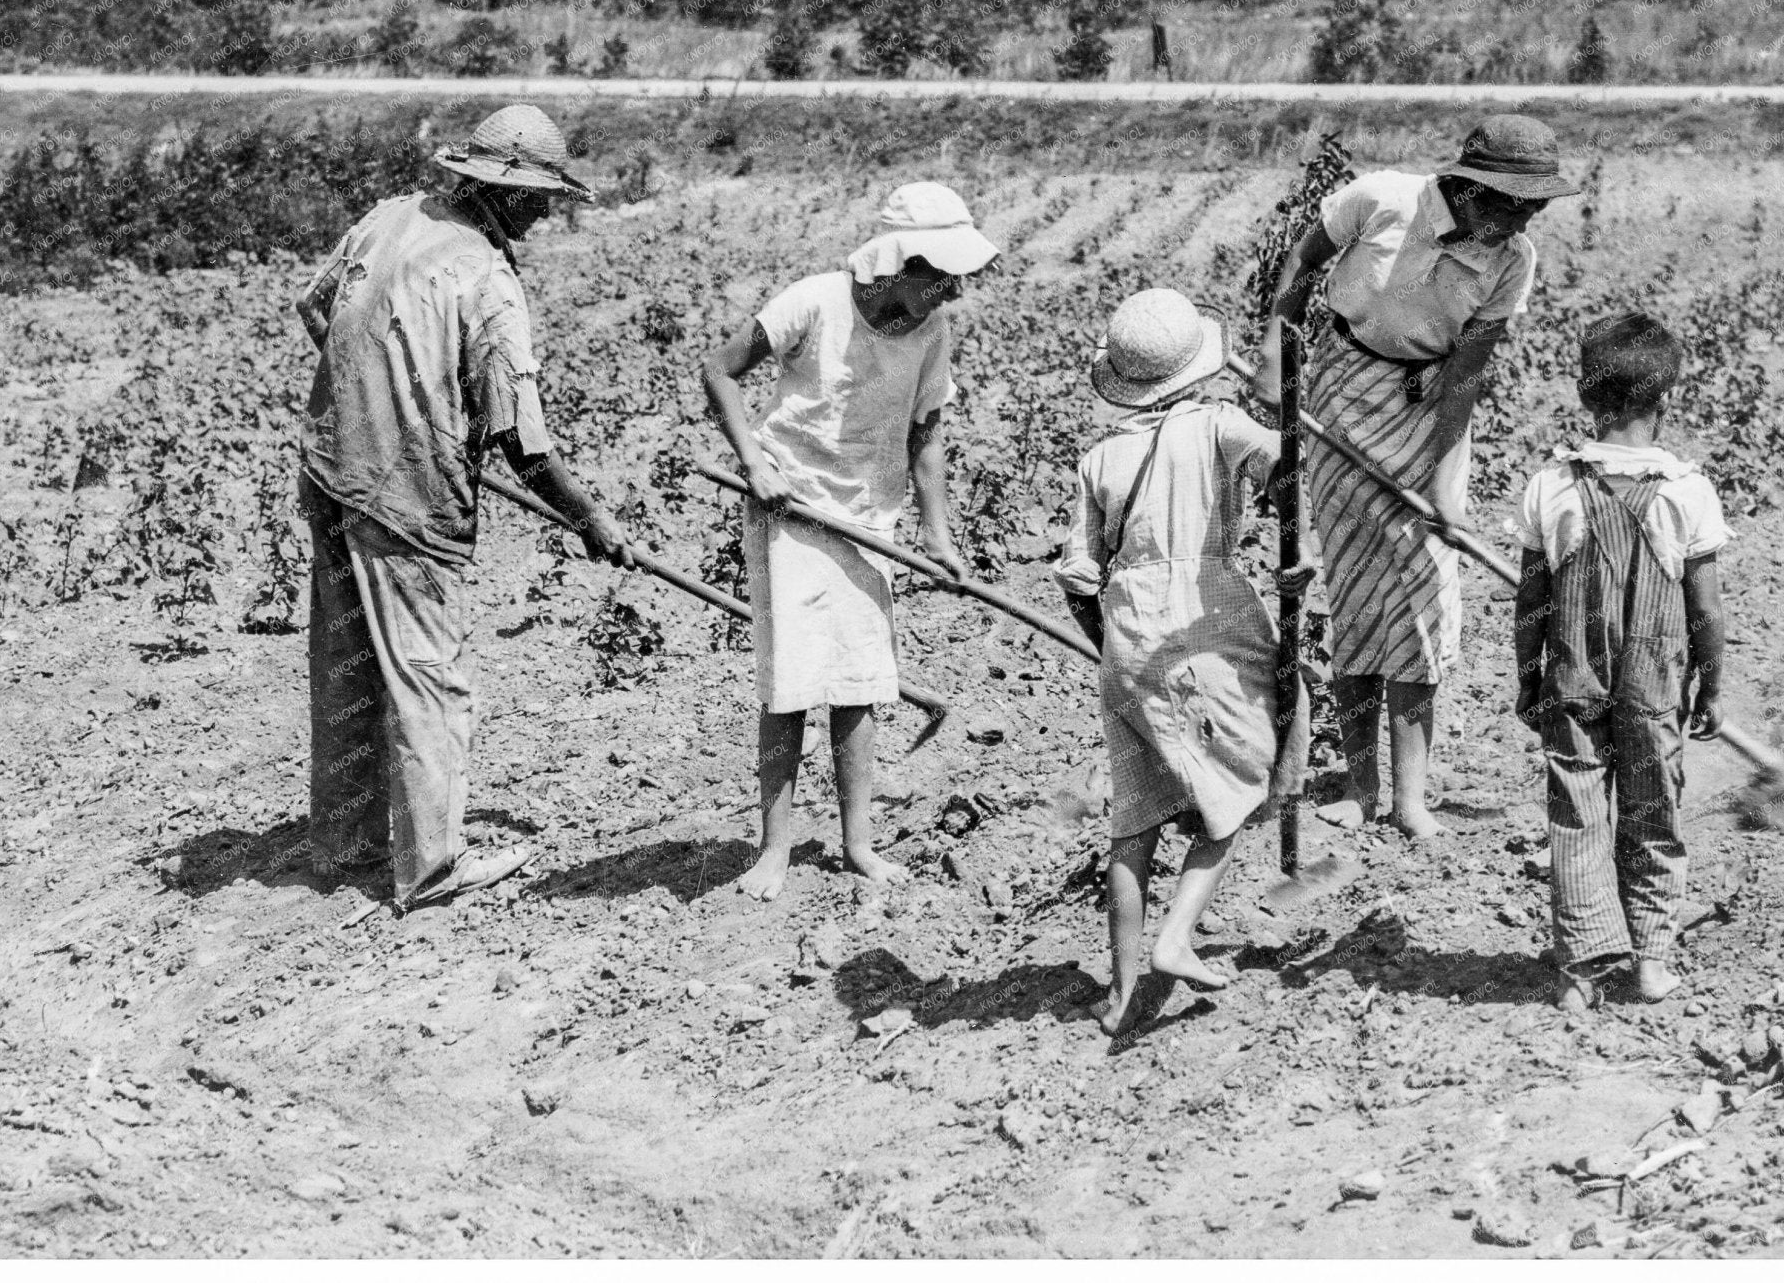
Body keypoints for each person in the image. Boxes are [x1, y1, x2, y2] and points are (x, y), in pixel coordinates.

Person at [296, 104, 634, 913]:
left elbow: (317, 308)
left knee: (348, 667)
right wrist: (589, 516)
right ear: (507, 194)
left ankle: (344, 846)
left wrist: (384, 388)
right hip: (406, 494)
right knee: (427, 678)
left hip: (333, 465)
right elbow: (527, 441)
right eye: (540, 196)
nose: (547, 210)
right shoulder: (488, 278)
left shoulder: (389, 220)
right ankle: (433, 866)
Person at [1253, 115, 1576, 839]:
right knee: (1357, 595)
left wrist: (1437, 479)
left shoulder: (1513, 260)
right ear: (1467, 186)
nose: (1522, 220)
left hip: (1429, 408)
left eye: (1533, 207)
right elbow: (1301, 268)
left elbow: (1466, 374)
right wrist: (1277, 356)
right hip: (1338, 393)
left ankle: (1412, 797)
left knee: (1425, 600)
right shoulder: (1381, 200)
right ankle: (1360, 787)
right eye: (1510, 203)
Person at [700, 182, 998, 901]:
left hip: (870, 516)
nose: (951, 292)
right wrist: (756, 464)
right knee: (791, 685)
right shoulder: (814, 302)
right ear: (898, 265)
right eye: (940, 277)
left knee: (862, 684)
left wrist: (937, 534)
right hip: (790, 511)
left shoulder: (932, 334)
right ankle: (773, 849)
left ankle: (857, 843)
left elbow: (927, 432)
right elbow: (720, 369)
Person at [1055, 290, 1315, 1036]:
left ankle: (1120, 996)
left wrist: (1109, 646)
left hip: (1126, 636)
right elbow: (1292, 473)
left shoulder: (1100, 457)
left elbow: (1076, 574)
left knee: (1133, 822)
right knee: (1241, 783)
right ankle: (1176, 936)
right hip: (1206, 617)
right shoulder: (1218, 426)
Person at [1513, 311, 1730, 1010]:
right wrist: (1713, 687)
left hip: (1572, 674)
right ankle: (1652, 961)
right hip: (1654, 682)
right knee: (1653, 811)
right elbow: (1706, 610)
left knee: (1577, 810)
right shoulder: (1686, 490)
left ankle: (1580, 969)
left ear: (1584, 395)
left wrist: (1528, 678)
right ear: (1667, 400)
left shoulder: (1553, 484)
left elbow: (1531, 602)